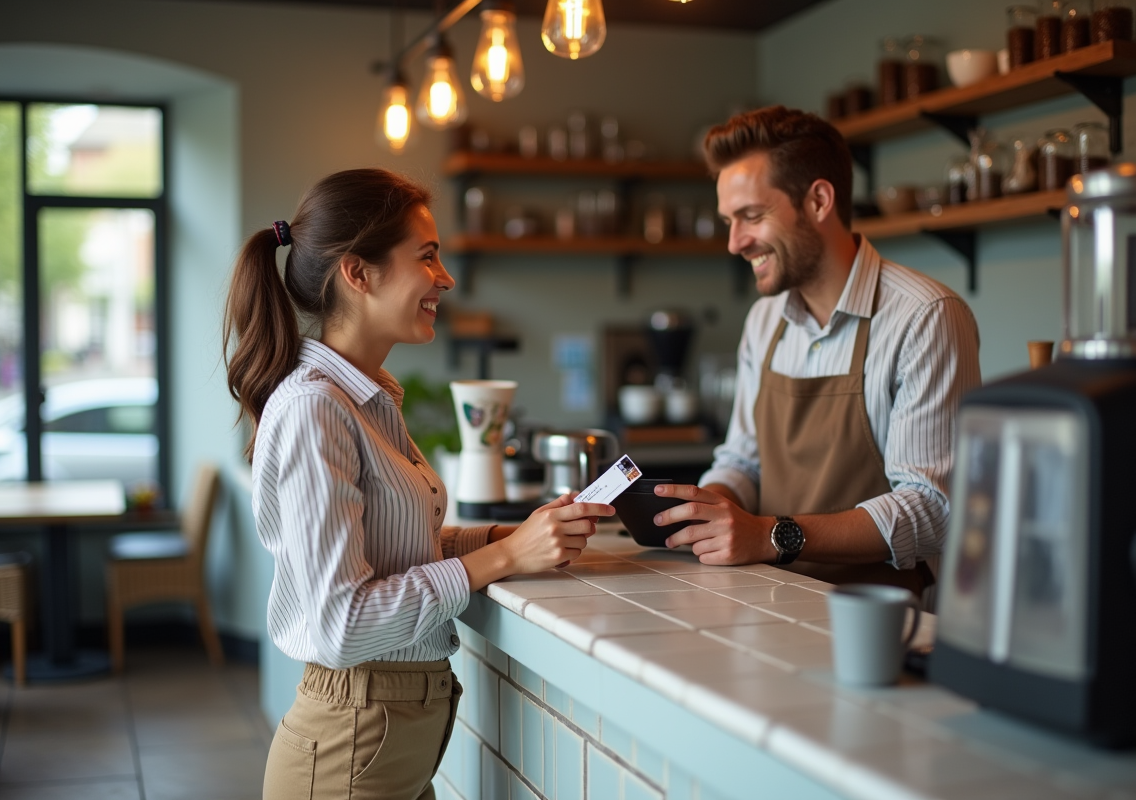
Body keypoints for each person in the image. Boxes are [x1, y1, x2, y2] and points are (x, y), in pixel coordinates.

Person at [223, 168, 613, 800]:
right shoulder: (313, 409)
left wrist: (512, 536)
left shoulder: (365, 401)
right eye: (427, 257)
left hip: (383, 748)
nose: (445, 278)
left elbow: (395, 553)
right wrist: (506, 557)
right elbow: (342, 622)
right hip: (348, 754)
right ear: (359, 272)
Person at [653, 107, 980, 597]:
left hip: (885, 618)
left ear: (819, 200)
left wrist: (767, 536)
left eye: (751, 216)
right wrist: (710, 508)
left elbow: (931, 509)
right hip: (771, 597)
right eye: (728, 221)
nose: (734, 243)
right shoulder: (764, 321)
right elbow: (743, 461)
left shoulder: (925, 316)